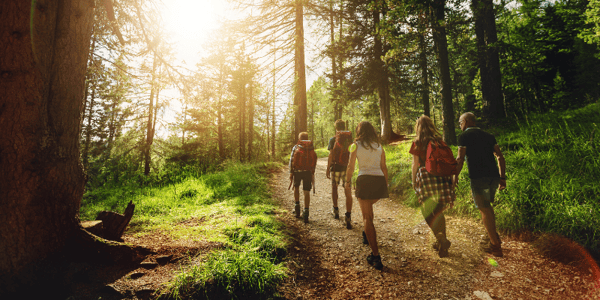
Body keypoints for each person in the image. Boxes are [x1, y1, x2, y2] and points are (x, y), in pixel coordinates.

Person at [455, 112, 506, 257]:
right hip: (493, 177)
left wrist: (455, 176)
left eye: (460, 122)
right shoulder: (489, 136)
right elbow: (500, 157)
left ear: (466, 121)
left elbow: (460, 159)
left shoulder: (464, 136)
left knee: (484, 209)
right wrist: (502, 177)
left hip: (478, 177)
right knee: (487, 207)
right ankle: (493, 236)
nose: (460, 125)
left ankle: (495, 245)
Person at [409, 116, 455, 258]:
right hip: (442, 175)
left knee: (427, 210)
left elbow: (415, 164)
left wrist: (413, 181)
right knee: (439, 209)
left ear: (418, 127)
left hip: (426, 176)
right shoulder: (439, 140)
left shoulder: (417, 142)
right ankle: (443, 245)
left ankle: (440, 239)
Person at [345, 121, 389, 270]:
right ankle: (367, 235)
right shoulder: (379, 146)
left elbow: (351, 166)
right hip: (379, 181)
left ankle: (375, 256)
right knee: (369, 212)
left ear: (359, 131)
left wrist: (347, 181)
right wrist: (386, 185)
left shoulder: (355, 145)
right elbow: (384, 167)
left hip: (365, 180)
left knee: (367, 217)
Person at [326, 119, 354, 229]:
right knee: (347, 191)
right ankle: (348, 215)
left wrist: (328, 168)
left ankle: (336, 210)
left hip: (336, 167)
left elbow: (331, 155)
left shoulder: (333, 139)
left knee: (334, 188)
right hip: (347, 168)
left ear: (336, 128)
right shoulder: (350, 139)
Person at [289, 132, 318, 223]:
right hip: (308, 172)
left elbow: (291, 160)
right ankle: (306, 212)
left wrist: (291, 172)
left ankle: (297, 208)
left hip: (297, 171)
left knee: (296, 187)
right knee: (306, 191)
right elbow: (314, 159)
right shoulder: (311, 147)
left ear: (300, 138)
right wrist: (312, 171)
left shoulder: (296, 147)